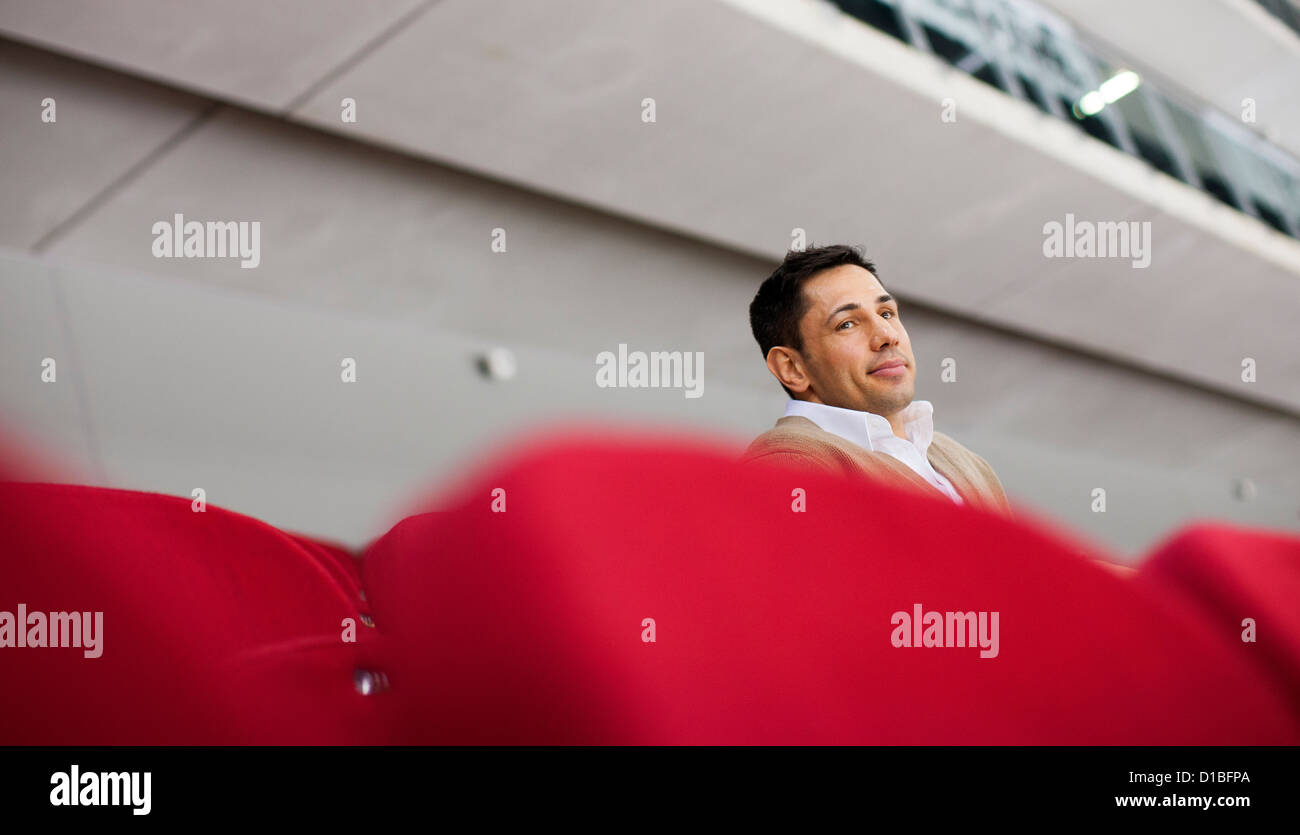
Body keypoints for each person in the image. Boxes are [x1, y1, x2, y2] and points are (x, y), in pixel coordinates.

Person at [743, 244, 1011, 517]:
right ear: (792, 369)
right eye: (847, 324)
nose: (887, 335)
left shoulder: (967, 462)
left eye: (886, 313)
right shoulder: (788, 465)